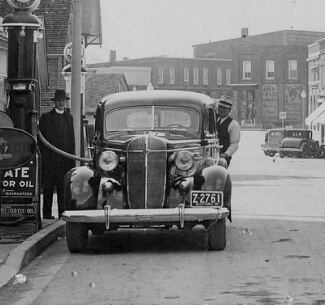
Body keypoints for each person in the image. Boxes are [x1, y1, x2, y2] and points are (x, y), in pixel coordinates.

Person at [39, 89, 75, 219]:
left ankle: (62, 213)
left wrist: (72, 160)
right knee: (48, 187)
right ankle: (47, 214)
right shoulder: (46, 118)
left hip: (64, 160)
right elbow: (41, 140)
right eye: (59, 100)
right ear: (55, 102)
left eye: (63, 100)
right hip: (50, 159)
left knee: (63, 187)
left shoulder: (69, 118)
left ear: (65, 102)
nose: (61, 102)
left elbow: (72, 141)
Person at [216, 96, 240, 167]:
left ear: (229, 110)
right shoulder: (214, 120)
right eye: (220, 107)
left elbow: (234, 144)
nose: (221, 109)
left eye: (224, 108)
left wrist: (226, 154)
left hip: (223, 158)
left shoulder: (233, 124)